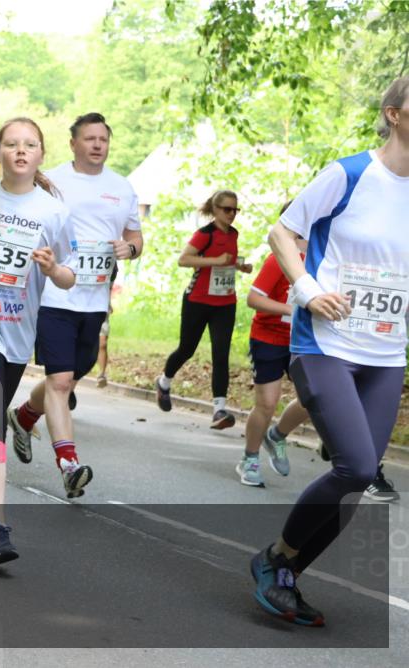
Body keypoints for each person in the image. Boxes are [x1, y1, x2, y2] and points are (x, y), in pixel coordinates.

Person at [250, 76, 409, 626]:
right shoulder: (350, 173)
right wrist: (308, 289)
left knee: (359, 482)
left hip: (387, 350)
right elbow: (282, 232)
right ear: (393, 113)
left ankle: (283, 568)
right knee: (357, 464)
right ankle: (276, 561)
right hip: (326, 341)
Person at [0, 117, 76, 565]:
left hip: (19, 326)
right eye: (12, 144)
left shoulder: (55, 212)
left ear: (41, 154)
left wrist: (50, 268)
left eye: (30, 145)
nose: (21, 151)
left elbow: (68, 274)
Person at [8, 113, 144, 498]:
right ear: (73, 144)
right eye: (89, 138)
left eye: (103, 138)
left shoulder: (122, 187)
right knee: (60, 381)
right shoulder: (51, 180)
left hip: (95, 298)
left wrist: (129, 248)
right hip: (54, 294)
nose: (97, 145)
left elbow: (135, 237)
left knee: (73, 373)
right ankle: (68, 464)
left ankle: (24, 416)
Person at [155, 190, 253, 428]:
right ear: (216, 209)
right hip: (197, 300)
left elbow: (227, 261)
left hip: (225, 303)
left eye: (235, 210)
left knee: (221, 354)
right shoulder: (204, 234)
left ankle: (219, 410)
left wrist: (241, 267)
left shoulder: (234, 234)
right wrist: (215, 261)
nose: (232, 214)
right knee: (187, 349)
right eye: (227, 209)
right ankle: (164, 382)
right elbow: (184, 260)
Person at [238, 205, 310, 487]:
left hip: (302, 341)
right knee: (266, 404)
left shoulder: (322, 257)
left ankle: (277, 435)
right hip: (268, 337)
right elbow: (253, 300)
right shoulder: (277, 259)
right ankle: (250, 459)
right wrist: (293, 309)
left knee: (312, 398)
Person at [95, 265, 119, 388]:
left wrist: (108, 303)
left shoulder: (112, 266)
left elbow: (108, 287)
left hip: (102, 307)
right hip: (81, 305)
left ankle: (101, 374)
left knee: (103, 342)